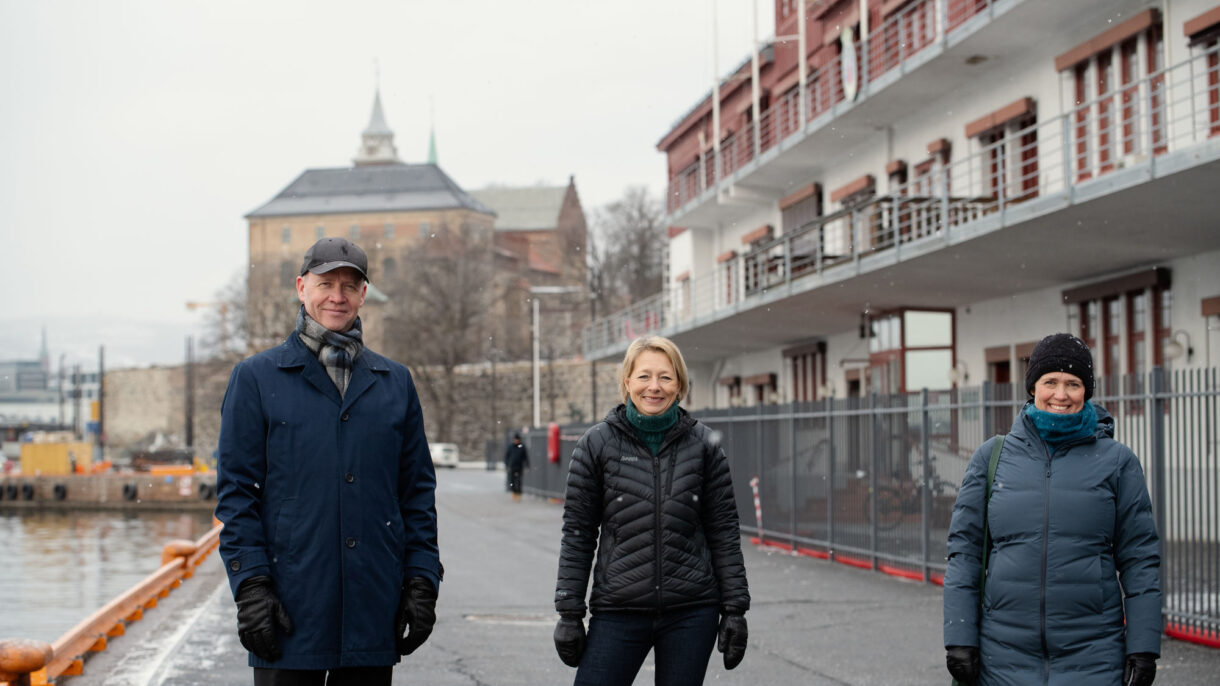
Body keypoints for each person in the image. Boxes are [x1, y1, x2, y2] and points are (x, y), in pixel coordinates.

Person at [216, 237, 442, 686]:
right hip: (288, 607)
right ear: (301, 288)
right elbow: (237, 494)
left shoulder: (395, 382)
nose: (337, 296)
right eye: (325, 284)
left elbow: (415, 492)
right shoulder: (257, 378)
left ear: (363, 295)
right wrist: (251, 587)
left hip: (371, 604)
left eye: (349, 285)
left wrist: (422, 579)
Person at [943, 333, 1161, 686]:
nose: (1061, 394)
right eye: (1051, 382)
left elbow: (1140, 559)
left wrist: (1143, 646)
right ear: (1033, 388)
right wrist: (959, 638)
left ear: (1086, 391)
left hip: (1093, 656)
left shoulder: (1117, 462)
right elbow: (964, 553)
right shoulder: (991, 459)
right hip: (1003, 656)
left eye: (1073, 383)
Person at [553, 336, 750, 686]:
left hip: (692, 611)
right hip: (618, 610)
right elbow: (578, 534)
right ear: (627, 382)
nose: (654, 387)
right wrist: (569, 612)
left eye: (666, 377)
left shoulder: (704, 445)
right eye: (644, 376)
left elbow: (723, 531)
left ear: (680, 385)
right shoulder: (596, 444)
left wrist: (735, 609)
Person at [504, 432, 530, 501]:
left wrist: (527, 465)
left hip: (519, 466)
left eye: (517, 440)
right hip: (512, 466)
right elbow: (507, 456)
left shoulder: (522, 447)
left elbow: (525, 457)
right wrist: (506, 464)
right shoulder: (511, 446)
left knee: (518, 481)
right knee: (512, 480)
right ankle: (514, 492)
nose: (516, 441)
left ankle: (518, 494)